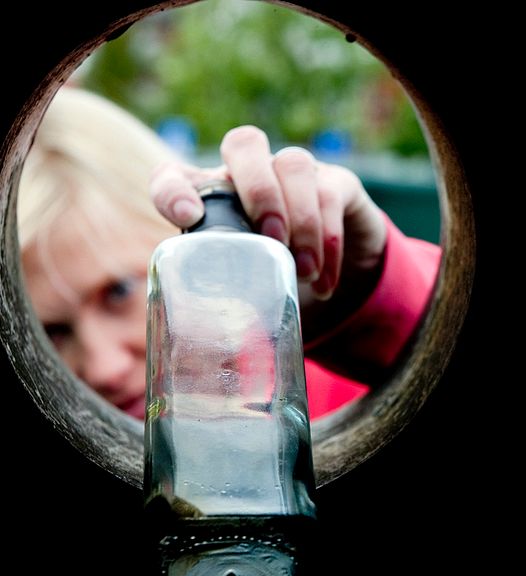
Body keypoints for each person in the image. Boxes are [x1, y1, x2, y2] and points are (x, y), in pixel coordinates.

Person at [18, 85, 441, 421]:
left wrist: (370, 304)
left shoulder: (317, 392)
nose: (104, 368)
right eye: (52, 332)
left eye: (121, 292)